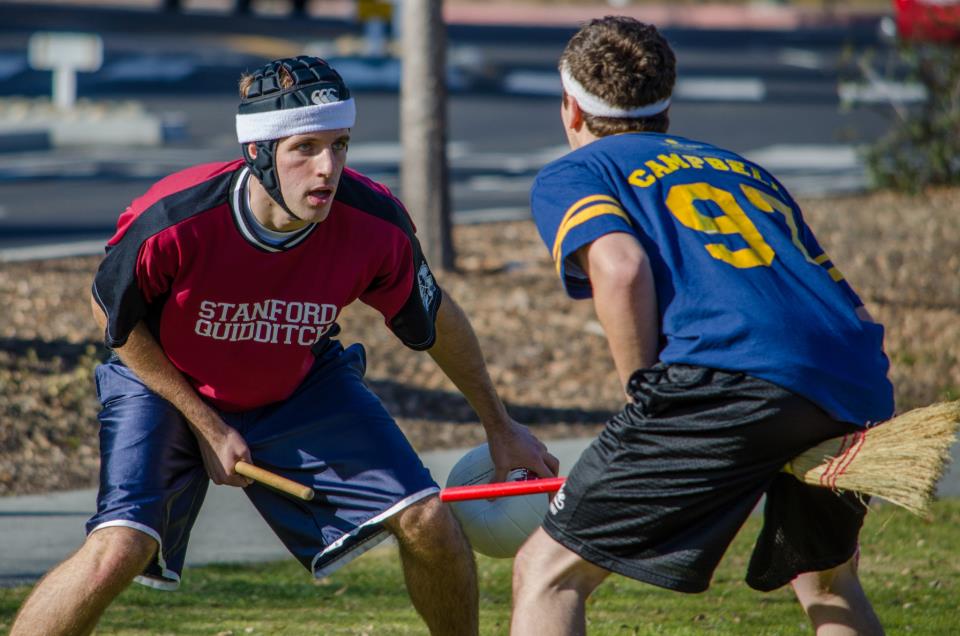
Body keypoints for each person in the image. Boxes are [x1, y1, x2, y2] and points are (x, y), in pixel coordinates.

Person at [11, 55, 558, 636]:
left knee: (427, 518)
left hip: (297, 386)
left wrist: (500, 426)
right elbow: (112, 314)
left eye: (341, 145)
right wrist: (205, 423)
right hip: (166, 383)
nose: (329, 169)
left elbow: (435, 315)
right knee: (117, 549)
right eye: (306, 148)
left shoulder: (375, 223)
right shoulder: (176, 218)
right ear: (258, 153)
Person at [511, 17, 891, 636]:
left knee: (547, 573)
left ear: (571, 108)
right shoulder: (740, 169)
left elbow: (622, 268)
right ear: (665, 104)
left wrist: (643, 395)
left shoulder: (575, 173)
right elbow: (840, 300)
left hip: (731, 376)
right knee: (826, 577)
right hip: (852, 381)